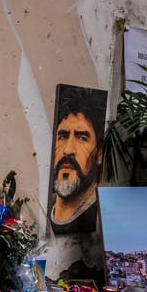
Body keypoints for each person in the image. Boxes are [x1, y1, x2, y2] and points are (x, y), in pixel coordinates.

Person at [48, 86, 106, 234]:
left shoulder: (100, 216)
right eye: (63, 136)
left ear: (99, 153)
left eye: (82, 137)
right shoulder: (45, 206)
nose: (68, 150)